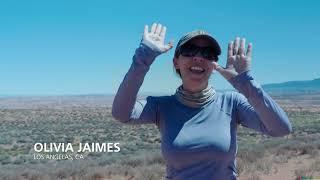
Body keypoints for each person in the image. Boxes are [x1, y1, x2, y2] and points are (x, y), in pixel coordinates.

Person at [112, 23, 292, 180]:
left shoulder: (231, 102)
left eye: (208, 53)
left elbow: (281, 129)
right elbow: (121, 114)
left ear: (214, 65)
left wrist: (245, 81)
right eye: (189, 51)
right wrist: (144, 57)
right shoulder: (161, 106)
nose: (198, 57)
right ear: (176, 62)